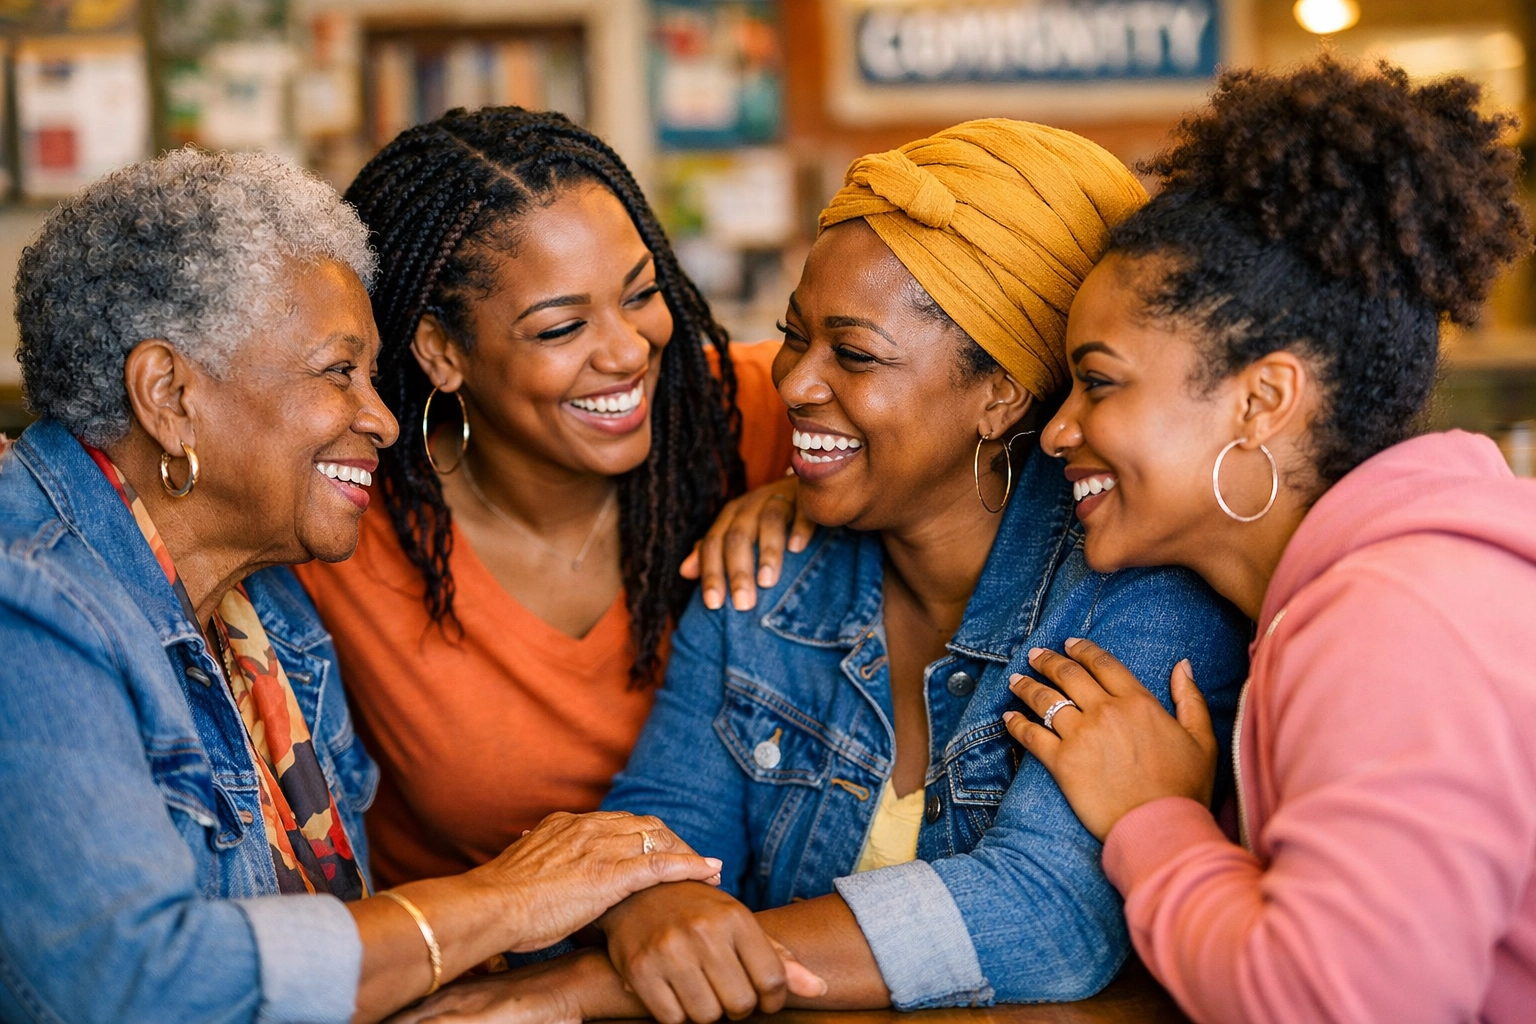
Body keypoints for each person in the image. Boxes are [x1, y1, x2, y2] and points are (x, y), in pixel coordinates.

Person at [391, 118, 1253, 1023]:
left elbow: (1045, 916)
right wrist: (654, 900)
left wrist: (596, 983)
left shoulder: (1136, 587)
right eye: (792, 336)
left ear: (1000, 391)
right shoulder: (766, 567)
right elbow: (661, 820)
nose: (794, 382)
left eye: (854, 354)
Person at [0, 148, 728, 1024]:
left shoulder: (267, 613)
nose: (383, 418)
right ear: (170, 394)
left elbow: (336, 952)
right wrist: (506, 897)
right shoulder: (30, 600)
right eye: (339, 371)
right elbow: (134, 983)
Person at [1001, 58, 1536, 1023]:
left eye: (1102, 382)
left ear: (1262, 399)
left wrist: (1150, 817)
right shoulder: (1379, 591)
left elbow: (1339, 1006)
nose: (1057, 429)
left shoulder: (1392, 621)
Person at [291, 109, 805, 891]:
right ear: (441, 351)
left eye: (641, 294)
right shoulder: (345, 515)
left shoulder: (749, 418)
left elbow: (957, 425)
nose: (628, 350)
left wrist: (812, 495)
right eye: (562, 328)